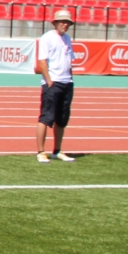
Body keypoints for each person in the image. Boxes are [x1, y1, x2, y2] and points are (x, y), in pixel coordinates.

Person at [35, 9, 76, 163]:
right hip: (53, 82)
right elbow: (42, 61)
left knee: (62, 119)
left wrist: (70, 79)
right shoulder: (47, 38)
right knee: (46, 117)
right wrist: (49, 81)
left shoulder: (67, 39)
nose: (65, 24)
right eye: (62, 21)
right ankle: (40, 151)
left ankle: (57, 150)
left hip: (67, 83)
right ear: (55, 23)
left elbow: (69, 60)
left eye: (67, 22)